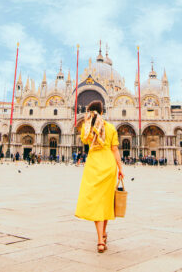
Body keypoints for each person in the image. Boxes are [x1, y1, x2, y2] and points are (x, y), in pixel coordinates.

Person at [75, 100, 124, 254]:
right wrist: (120, 168)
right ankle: (103, 233)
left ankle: (100, 240)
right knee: (106, 201)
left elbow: (84, 139)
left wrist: (87, 121)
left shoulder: (87, 127)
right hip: (109, 165)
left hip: (94, 165)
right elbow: (115, 150)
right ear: (102, 112)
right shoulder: (110, 128)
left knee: (96, 202)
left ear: (90, 112)